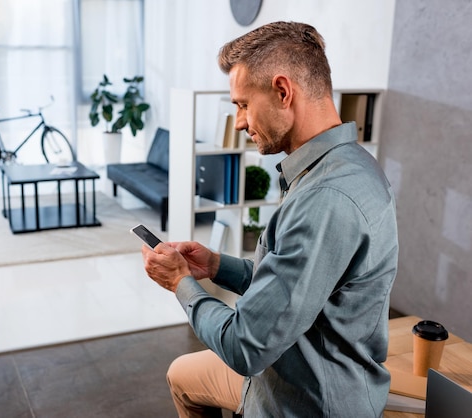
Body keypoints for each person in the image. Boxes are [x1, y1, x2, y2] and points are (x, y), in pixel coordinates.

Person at [140, 21, 398, 417]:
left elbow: (245, 347)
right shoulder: (346, 165)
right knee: (183, 376)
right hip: (291, 370)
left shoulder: (325, 199)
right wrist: (214, 266)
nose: (240, 122)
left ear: (282, 91)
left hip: (307, 401)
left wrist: (181, 283)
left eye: (242, 104)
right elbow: (295, 286)